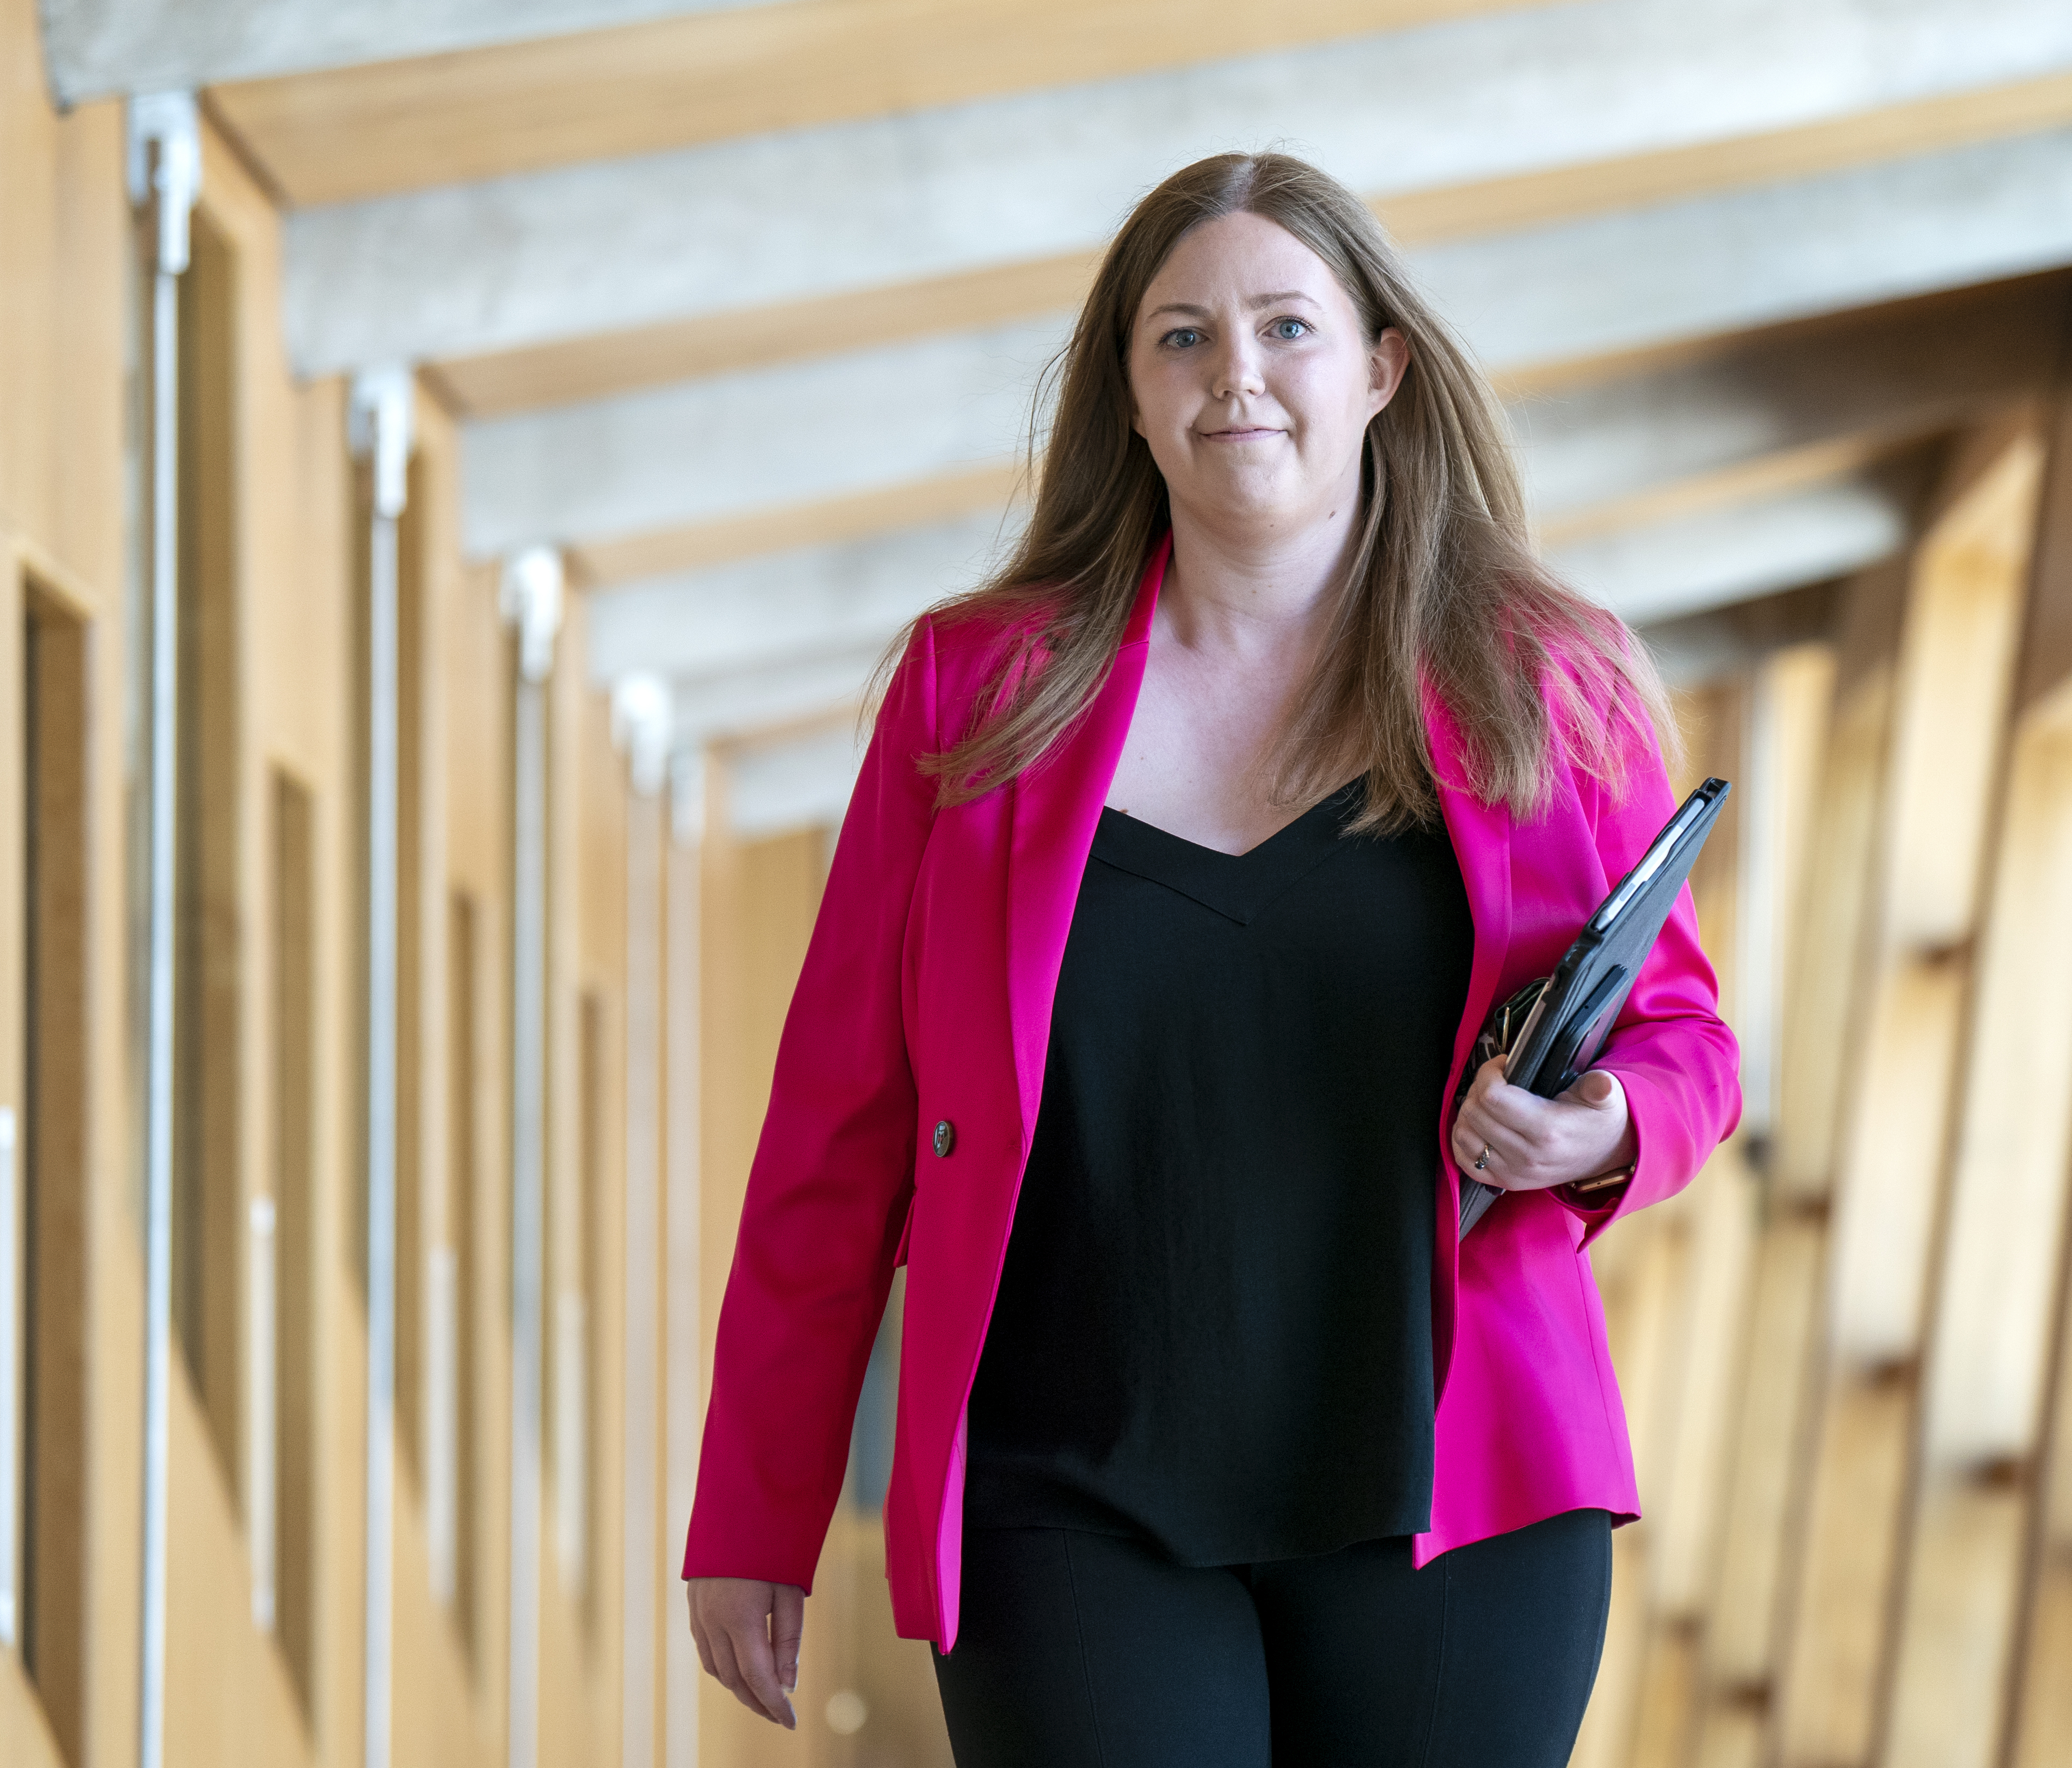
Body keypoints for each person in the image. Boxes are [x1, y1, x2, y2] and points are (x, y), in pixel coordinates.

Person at [682, 151, 1740, 1767]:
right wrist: (756, 1510)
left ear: (1379, 367)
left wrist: (1596, 1128)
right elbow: (840, 1123)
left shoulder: (1542, 676)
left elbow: (1681, 1038)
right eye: (1179, 337)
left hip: (1451, 1501)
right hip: (1064, 1502)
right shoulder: (975, 690)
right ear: (1127, 386)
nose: (1233, 374)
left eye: (1284, 328)